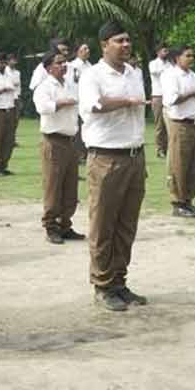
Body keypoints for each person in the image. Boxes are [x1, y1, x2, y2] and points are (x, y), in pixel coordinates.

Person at [78, 21, 148, 311]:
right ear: (104, 45)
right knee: (103, 224)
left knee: (126, 224)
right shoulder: (92, 75)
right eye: (119, 41)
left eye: (128, 40)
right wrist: (126, 101)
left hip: (134, 155)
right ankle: (103, 284)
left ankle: (120, 280)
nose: (126, 45)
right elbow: (95, 105)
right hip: (106, 157)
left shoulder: (134, 73)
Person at [33, 49, 83, 244]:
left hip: (71, 140)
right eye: (59, 63)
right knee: (53, 186)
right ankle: (51, 226)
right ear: (48, 68)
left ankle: (65, 224)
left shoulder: (70, 84)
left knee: (70, 186)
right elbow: (43, 108)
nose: (64, 66)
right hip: (54, 141)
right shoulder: (44, 87)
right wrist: (63, 102)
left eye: (65, 62)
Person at [161, 45, 195, 217]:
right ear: (177, 58)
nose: (191, 58)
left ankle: (188, 200)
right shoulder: (170, 75)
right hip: (180, 123)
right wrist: (192, 92)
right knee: (178, 164)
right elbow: (171, 99)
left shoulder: (193, 75)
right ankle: (178, 202)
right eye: (187, 55)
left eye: (192, 55)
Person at [148, 44, 170, 157]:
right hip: (158, 96)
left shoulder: (170, 64)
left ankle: (166, 148)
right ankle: (160, 149)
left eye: (167, 51)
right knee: (160, 124)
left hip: (168, 96)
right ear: (158, 52)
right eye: (164, 51)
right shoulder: (153, 63)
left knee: (168, 123)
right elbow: (159, 74)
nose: (166, 53)